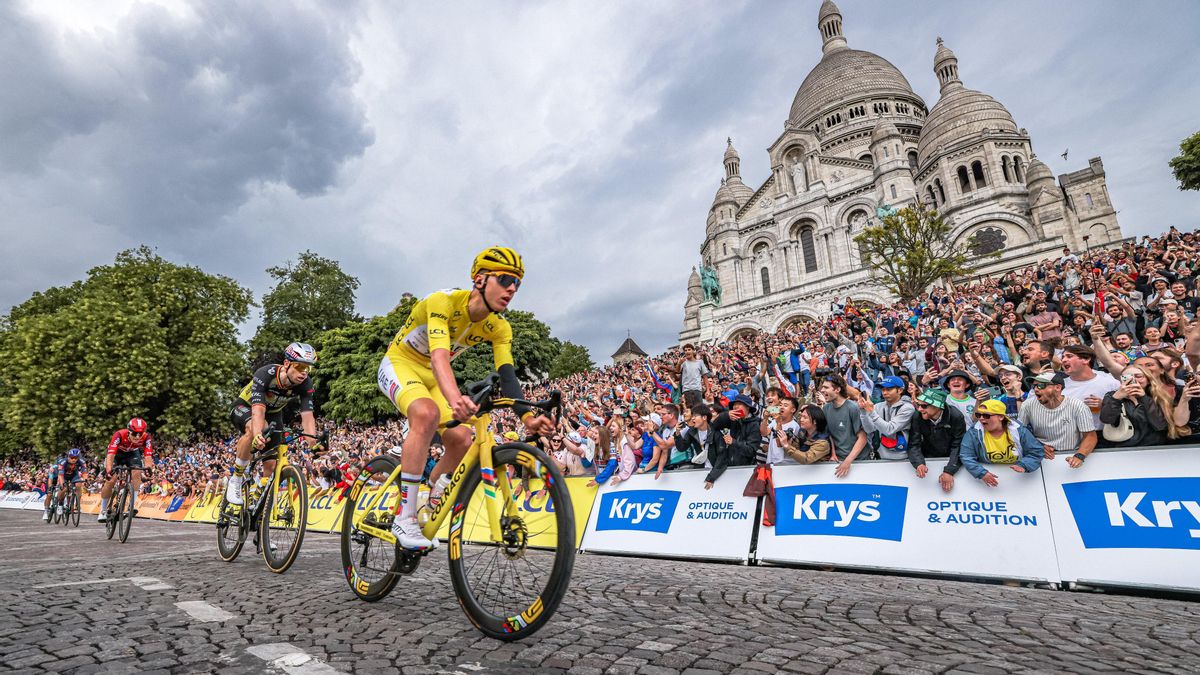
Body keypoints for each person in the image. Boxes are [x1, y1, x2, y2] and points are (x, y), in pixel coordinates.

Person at [375, 247, 553, 549]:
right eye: (506, 279)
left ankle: (436, 489)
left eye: (518, 283)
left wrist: (528, 417)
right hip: (400, 364)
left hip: (432, 376)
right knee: (426, 414)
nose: (512, 289)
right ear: (480, 279)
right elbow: (441, 356)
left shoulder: (499, 327)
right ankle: (404, 517)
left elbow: (508, 375)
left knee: (462, 439)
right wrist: (456, 398)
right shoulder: (442, 302)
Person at [224, 342, 321, 507]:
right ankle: (237, 478)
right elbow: (258, 412)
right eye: (299, 367)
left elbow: (307, 417)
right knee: (259, 428)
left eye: (308, 368)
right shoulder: (265, 374)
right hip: (246, 407)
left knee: (271, 465)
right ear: (286, 364)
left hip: (274, 413)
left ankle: (258, 497)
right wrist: (257, 435)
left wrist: (314, 443)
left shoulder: (305, 384)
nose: (303, 373)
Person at [1018, 372, 1097, 467]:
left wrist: (1079, 456)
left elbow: (1090, 436)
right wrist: (1036, 446)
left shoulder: (1077, 406)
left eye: (1041, 385)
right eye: (1034, 386)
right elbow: (1020, 432)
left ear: (1058, 388)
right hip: (1041, 456)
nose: (1035, 389)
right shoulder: (1027, 405)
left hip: (1071, 454)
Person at [959, 399, 1045, 487]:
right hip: (987, 485)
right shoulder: (974, 432)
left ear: (1001, 417)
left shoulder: (1019, 430)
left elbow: (1036, 452)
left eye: (986, 415)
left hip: (1020, 483)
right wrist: (981, 473)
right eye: (978, 414)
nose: (981, 418)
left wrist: (1024, 465)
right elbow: (966, 456)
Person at [1099, 366, 1183, 448]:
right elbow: (1107, 419)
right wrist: (1116, 398)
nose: (1133, 380)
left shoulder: (1158, 396)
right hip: (1123, 447)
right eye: (1126, 377)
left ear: (1148, 380)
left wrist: (1144, 398)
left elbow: (1160, 425)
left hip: (1153, 448)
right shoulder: (1112, 396)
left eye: (1138, 376)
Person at [906, 389, 965, 492]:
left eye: (924, 406)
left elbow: (958, 446)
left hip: (951, 456)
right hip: (929, 455)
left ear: (938, 406)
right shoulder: (917, 416)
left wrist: (949, 470)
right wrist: (919, 463)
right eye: (918, 405)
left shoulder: (956, 416)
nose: (919, 409)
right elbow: (914, 443)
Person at [99, 418, 154, 522]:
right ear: (129, 431)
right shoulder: (119, 435)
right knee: (111, 480)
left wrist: (148, 470)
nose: (138, 437)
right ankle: (103, 510)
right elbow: (110, 455)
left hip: (132, 454)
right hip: (117, 454)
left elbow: (148, 456)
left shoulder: (146, 438)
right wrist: (109, 471)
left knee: (137, 472)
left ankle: (131, 505)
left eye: (140, 433)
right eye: (134, 433)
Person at [703, 394, 761, 489]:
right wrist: (726, 415)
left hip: (746, 470)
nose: (735, 407)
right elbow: (713, 426)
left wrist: (733, 442)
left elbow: (751, 450)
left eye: (739, 404)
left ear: (747, 407)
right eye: (734, 404)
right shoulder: (732, 419)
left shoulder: (755, 425)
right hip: (729, 468)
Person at [1059, 345, 1119, 431]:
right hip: (1073, 437)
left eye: (1069, 356)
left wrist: (1105, 405)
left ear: (1086, 359)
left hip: (1106, 436)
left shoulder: (1110, 382)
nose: (1063, 360)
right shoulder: (1059, 386)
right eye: (1063, 357)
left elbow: (1125, 409)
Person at [818, 374, 867, 477]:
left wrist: (848, 461)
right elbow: (829, 434)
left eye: (826, 387)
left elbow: (863, 438)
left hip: (858, 462)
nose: (822, 390)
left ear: (837, 390)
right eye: (822, 387)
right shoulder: (826, 408)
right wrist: (833, 454)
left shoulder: (853, 408)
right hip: (837, 461)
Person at [860, 376, 914, 460]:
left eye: (888, 389)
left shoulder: (907, 408)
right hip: (881, 456)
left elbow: (890, 429)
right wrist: (863, 412)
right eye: (883, 389)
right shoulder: (878, 406)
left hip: (903, 458)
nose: (884, 393)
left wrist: (871, 412)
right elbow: (869, 429)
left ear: (900, 390)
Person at [677, 344, 710, 409]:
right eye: (685, 350)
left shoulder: (700, 362)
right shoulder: (683, 362)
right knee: (689, 410)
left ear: (693, 351)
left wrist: (708, 390)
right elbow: (677, 371)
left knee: (699, 410)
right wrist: (679, 363)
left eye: (689, 349)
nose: (687, 351)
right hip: (686, 390)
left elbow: (705, 377)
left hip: (697, 390)